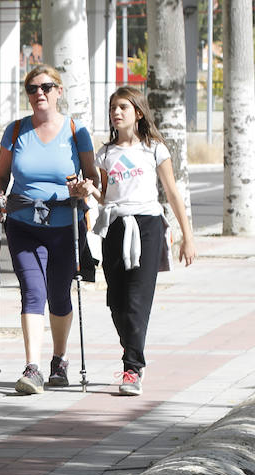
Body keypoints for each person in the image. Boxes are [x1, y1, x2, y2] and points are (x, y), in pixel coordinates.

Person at [69, 86, 196, 396]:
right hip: (114, 225)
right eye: (113, 107)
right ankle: (134, 351)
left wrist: (187, 238)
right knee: (117, 301)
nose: (117, 112)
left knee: (138, 299)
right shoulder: (106, 152)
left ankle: (132, 368)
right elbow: (105, 195)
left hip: (148, 226)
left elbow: (173, 194)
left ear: (138, 113)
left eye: (123, 106)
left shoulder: (155, 149)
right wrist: (88, 190)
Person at [0, 64, 98, 395]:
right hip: (22, 223)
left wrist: (84, 189)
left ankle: (59, 359)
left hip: (66, 224)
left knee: (59, 293)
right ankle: (32, 368)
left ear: (59, 91)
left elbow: (93, 176)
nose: (40, 93)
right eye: (33, 88)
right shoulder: (16, 130)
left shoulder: (76, 131)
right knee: (32, 290)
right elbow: (1, 176)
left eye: (47, 87)